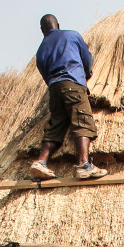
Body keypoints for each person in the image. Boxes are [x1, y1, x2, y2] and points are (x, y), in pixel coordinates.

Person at [30, 13, 106, 180]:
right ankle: (84, 164)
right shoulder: (72, 35)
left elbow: (45, 75)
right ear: (58, 24)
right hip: (72, 82)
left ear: (42, 30)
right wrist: (86, 74)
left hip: (54, 89)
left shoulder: (41, 49)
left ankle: (41, 162)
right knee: (82, 120)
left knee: (56, 124)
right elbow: (86, 57)